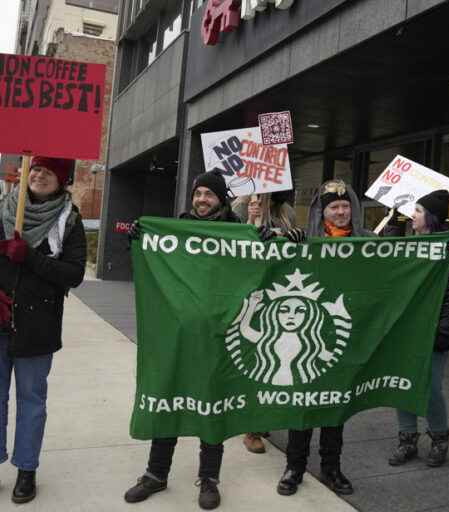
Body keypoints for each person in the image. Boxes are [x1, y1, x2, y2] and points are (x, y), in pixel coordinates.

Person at [124, 170, 245, 510]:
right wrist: (136, 237)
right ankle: (155, 474)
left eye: (209, 194)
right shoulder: (174, 232)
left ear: (221, 198)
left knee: (212, 402)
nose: (202, 200)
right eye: (198, 194)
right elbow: (149, 264)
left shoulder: (240, 233)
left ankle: (209, 478)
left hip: (219, 336)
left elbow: (266, 266)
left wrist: (267, 238)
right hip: (176, 335)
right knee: (169, 398)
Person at [277, 179, 373, 497]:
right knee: (303, 402)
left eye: (346, 206)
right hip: (309, 336)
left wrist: (440, 247)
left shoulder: (369, 242)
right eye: (335, 207)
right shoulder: (305, 240)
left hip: (346, 336)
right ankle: (295, 467)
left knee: (335, 405)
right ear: (323, 211)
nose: (342, 212)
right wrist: (276, 238)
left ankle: (331, 468)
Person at [0, 156, 86, 504]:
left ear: (61, 181)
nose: (39, 175)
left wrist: (30, 257)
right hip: (0, 321)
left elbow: (74, 274)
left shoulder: (70, 220)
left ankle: (26, 469)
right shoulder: (3, 209)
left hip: (38, 326)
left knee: (32, 401)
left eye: (48, 172)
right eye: (35, 169)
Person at [387, 190, 449, 468]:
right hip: (405, 330)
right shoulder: (409, 243)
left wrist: (442, 333)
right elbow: (383, 263)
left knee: (431, 387)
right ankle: (407, 438)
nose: (413, 215)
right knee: (402, 383)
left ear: (431, 217)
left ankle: (439, 438)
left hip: (433, 332)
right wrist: (393, 225)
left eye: (418, 211)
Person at [232, 191, 300, 453]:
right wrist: (251, 221)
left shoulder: (286, 211)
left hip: (279, 290)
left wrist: (292, 235)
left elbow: (293, 246)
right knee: (255, 358)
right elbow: (232, 244)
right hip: (251, 290)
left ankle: (260, 417)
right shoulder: (240, 206)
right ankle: (252, 428)